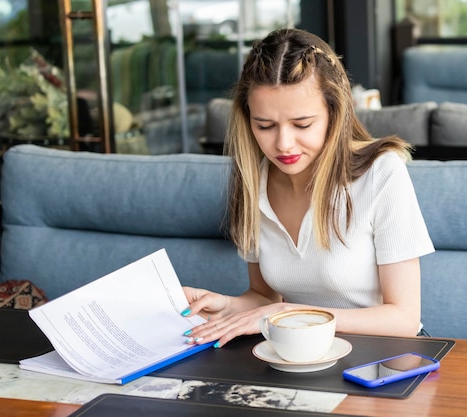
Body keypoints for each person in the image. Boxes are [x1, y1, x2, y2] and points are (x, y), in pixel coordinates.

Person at [181, 28, 434, 348]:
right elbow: (264, 298)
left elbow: (405, 318)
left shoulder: (380, 173)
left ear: (334, 114)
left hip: (385, 355)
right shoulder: (252, 180)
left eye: (302, 124)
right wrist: (227, 306)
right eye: (265, 125)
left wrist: (293, 311)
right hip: (301, 353)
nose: (283, 144)